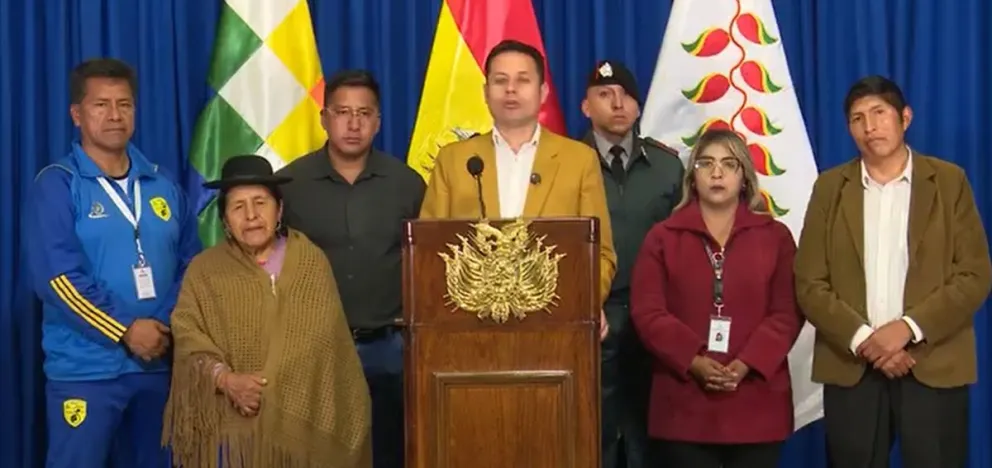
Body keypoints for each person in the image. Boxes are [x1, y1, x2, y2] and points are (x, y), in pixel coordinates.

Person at [794, 76, 992, 468]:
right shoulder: (829, 188)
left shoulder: (949, 182)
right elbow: (809, 281)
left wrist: (906, 330)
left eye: (879, 114)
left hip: (931, 362)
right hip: (852, 366)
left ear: (905, 117)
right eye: (857, 119)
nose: (869, 127)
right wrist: (868, 340)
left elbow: (973, 275)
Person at [23, 58, 201, 468]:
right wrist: (125, 330)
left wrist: (162, 326)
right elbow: (58, 280)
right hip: (86, 372)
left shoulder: (163, 183)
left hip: (157, 365)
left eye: (124, 104)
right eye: (101, 105)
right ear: (77, 114)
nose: (115, 115)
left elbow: (192, 265)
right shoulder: (57, 184)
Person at [162, 155, 372, 468]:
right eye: (238, 206)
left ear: (279, 209)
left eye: (260, 202)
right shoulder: (204, 271)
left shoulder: (309, 262)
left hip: (304, 419)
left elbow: (325, 345)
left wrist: (267, 387)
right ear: (224, 221)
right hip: (231, 434)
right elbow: (188, 336)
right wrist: (227, 381)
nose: (251, 215)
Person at [630, 129, 803, 468]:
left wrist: (745, 364)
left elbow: (788, 312)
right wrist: (693, 360)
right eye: (705, 164)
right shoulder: (662, 238)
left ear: (745, 178)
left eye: (729, 164)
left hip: (756, 404)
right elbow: (648, 311)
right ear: (692, 177)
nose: (717, 173)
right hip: (684, 407)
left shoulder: (775, 237)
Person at [278, 69, 425, 468]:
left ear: (378, 121)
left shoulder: (407, 184)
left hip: (389, 348)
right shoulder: (290, 183)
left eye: (364, 113)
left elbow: (427, 266)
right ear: (324, 118)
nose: (353, 123)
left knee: (392, 452)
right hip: (314, 347)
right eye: (343, 112)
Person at [419, 39, 615, 339]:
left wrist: (584, 304)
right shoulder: (454, 159)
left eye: (523, 80)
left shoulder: (579, 160)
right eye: (500, 81)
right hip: (468, 332)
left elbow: (601, 254)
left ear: (543, 92)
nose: (511, 90)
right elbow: (428, 252)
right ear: (486, 92)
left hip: (555, 329)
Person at [579, 59, 684, 468]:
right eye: (605, 95)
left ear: (639, 108)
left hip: (653, 317)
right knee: (592, 430)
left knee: (652, 433)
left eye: (626, 96)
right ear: (586, 107)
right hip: (591, 316)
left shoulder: (667, 166)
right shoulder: (564, 165)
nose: (617, 104)